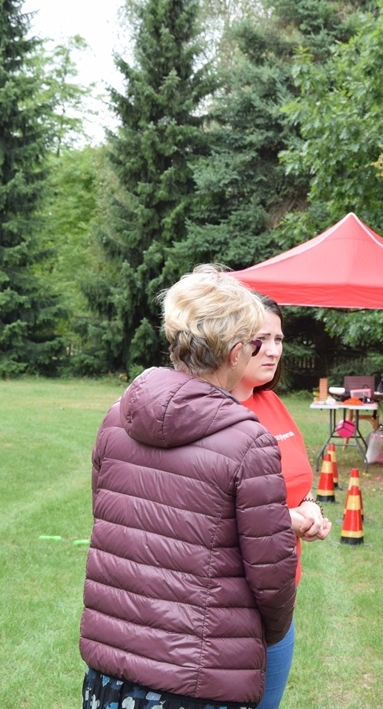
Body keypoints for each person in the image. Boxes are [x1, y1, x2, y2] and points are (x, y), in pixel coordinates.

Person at [79, 265, 297, 709]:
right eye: (257, 343)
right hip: (196, 679)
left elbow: (107, 517)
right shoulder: (249, 441)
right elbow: (272, 577)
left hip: (113, 671)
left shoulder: (117, 415)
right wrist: (267, 634)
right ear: (237, 352)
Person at [231, 295, 332, 709]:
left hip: (279, 595)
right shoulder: (211, 411)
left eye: (278, 338)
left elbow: (296, 482)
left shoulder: (269, 401)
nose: (273, 350)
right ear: (232, 342)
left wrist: (310, 507)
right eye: (261, 338)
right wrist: (284, 519)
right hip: (228, 603)